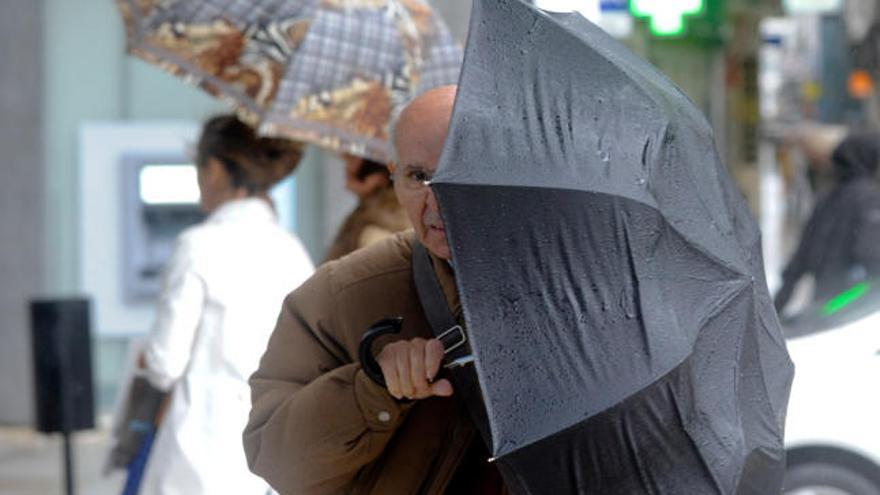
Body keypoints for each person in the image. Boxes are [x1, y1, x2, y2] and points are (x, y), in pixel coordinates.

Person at [244, 85, 507, 494]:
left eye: (461, 173)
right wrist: (373, 388)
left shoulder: (582, 290)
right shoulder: (338, 294)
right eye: (419, 177)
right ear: (393, 175)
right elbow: (275, 459)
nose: (437, 204)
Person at [138, 115, 315, 494]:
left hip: (198, 447)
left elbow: (165, 364)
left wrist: (145, 357)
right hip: (269, 453)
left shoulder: (197, 245)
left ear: (215, 169)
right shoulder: (292, 251)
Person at [775, 131, 880, 313]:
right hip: (857, 307)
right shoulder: (870, 199)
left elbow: (802, 256)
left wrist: (778, 305)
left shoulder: (827, 198)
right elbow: (870, 255)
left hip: (825, 305)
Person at [323, 154, 410, 262]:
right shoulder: (368, 211)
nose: (347, 168)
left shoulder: (375, 230)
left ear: (375, 179)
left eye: (352, 158)